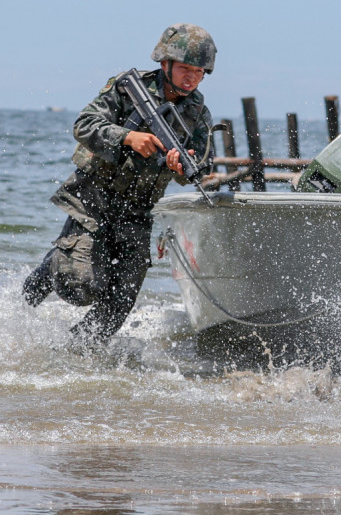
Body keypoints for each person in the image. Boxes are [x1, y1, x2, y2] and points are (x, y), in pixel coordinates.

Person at [22, 23, 217, 350]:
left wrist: (182, 165)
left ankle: (77, 353)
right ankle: (40, 281)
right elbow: (84, 125)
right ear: (165, 63)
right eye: (185, 68)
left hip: (138, 212)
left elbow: (199, 167)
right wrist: (127, 137)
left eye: (199, 72)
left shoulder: (197, 112)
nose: (191, 78)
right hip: (94, 202)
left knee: (122, 297)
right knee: (79, 285)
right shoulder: (129, 90)